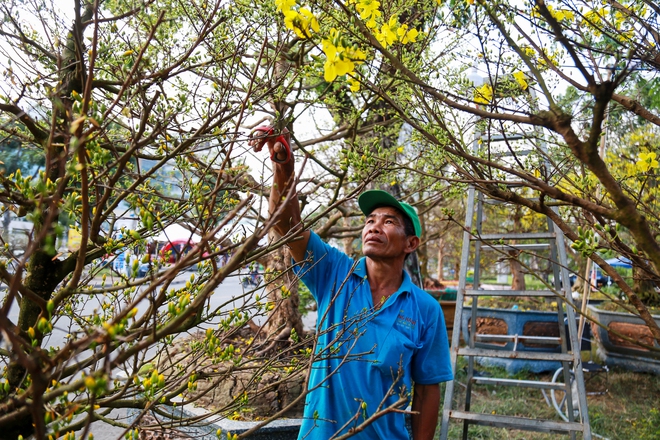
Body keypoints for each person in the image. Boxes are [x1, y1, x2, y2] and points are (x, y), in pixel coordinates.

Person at [250, 126, 453, 440]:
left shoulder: (425, 309)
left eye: (388, 222)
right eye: (370, 220)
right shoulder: (335, 273)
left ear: (410, 243)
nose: (374, 226)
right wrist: (284, 168)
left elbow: (427, 391)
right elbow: (284, 224)